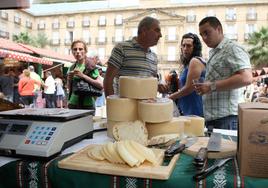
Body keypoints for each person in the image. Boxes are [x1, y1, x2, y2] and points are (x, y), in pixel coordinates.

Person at [194, 16, 252, 131]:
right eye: (201, 35)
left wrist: (211, 86)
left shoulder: (232, 48)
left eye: (207, 33)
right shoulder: (215, 52)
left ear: (219, 29)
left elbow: (246, 78)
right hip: (216, 118)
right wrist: (206, 87)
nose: (204, 38)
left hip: (227, 118)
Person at [103, 16, 163, 97]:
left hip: (145, 107)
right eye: (157, 30)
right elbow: (108, 79)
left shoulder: (154, 56)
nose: (160, 35)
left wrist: (159, 85)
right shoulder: (122, 48)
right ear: (144, 30)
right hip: (124, 107)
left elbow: (152, 82)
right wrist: (113, 105)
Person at [169, 33, 206, 117]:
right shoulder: (187, 65)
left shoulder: (195, 61)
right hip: (187, 109)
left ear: (195, 48)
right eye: (183, 45)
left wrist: (170, 98)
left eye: (189, 46)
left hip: (195, 110)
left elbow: (189, 88)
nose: (185, 48)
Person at [67, 40, 103, 110]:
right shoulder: (72, 67)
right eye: (75, 49)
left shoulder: (91, 66)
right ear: (72, 52)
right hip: (72, 104)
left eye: (80, 49)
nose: (77, 51)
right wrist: (69, 79)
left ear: (85, 51)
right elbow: (69, 87)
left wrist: (83, 76)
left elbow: (100, 85)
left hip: (87, 105)